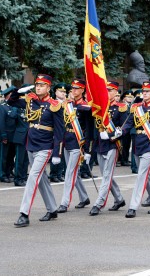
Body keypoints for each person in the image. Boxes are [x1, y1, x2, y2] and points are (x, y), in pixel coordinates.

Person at [10, 74, 64, 227]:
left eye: (42, 85)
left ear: (48, 87)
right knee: (42, 179)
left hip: (45, 146)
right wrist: (18, 91)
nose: (38, 87)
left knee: (33, 177)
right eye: (37, 85)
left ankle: (24, 213)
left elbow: (59, 132)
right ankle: (52, 209)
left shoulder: (54, 105)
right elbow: (11, 101)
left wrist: (57, 153)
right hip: (31, 144)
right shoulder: (30, 101)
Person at [121, 81, 150, 218]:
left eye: (148, 91)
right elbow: (128, 124)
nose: (145, 93)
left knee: (141, 176)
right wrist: (117, 133)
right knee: (147, 177)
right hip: (137, 144)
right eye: (143, 91)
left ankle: (133, 207)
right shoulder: (136, 108)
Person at [88, 80, 127, 216]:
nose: (107, 93)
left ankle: (98, 203)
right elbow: (93, 128)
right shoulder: (100, 108)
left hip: (112, 144)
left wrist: (111, 135)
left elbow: (123, 129)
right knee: (107, 174)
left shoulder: (120, 108)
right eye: (106, 90)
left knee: (106, 175)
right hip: (100, 144)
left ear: (116, 92)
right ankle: (119, 199)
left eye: (110, 90)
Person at [57, 79, 92, 213]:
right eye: (73, 88)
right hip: (67, 140)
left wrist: (88, 148)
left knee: (70, 172)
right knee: (73, 172)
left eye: (77, 88)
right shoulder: (67, 105)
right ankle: (84, 197)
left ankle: (64, 203)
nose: (74, 90)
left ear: (83, 90)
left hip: (78, 143)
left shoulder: (86, 107)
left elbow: (89, 129)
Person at [0, 86, 18, 183]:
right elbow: (1, 122)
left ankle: (9, 171)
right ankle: (3, 175)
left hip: (14, 135)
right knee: (4, 156)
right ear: (8, 96)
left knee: (11, 156)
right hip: (7, 135)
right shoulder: (3, 107)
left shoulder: (15, 106)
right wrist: (3, 135)